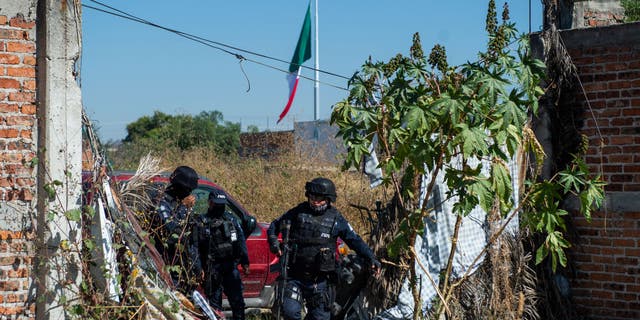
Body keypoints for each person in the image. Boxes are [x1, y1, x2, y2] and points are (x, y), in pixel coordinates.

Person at [267, 177, 382, 320]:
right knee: (290, 312)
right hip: (294, 277)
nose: (315, 200)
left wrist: (371, 257)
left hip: (320, 282)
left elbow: (354, 240)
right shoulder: (297, 213)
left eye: (319, 198)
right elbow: (273, 227)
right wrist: (273, 243)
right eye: (312, 196)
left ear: (328, 199)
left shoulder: (336, 219)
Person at [191, 189, 250, 320]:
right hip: (212, 269)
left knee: (238, 304)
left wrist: (245, 261)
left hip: (230, 267)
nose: (220, 207)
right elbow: (195, 247)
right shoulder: (201, 222)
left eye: (222, 204)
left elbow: (240, 240)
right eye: (217, 204)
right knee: (214, 309)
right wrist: (199, 268)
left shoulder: (231, 219)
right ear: (210, 203)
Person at [153, 165, 199, 290]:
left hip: (184, 265)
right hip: (167, 263)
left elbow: (191, 237)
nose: (189, 194)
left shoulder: (181, 203)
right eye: (187, 190)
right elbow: (171, 228)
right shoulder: (161, 201)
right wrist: (183, 207)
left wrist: (197, 266)